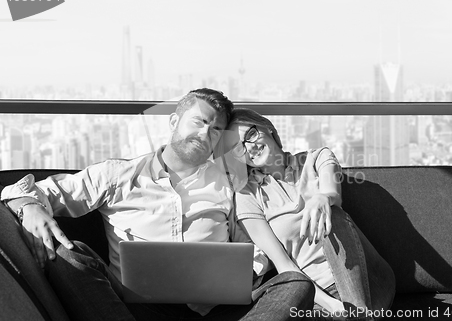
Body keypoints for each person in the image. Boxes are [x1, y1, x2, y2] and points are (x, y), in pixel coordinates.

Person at [0, 89, 315, 321]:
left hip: (216, 312)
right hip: (138, 310)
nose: (206, 133)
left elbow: (252, 241)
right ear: (175, 121)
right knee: (70, 255)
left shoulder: (228, 182)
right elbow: (35, 191)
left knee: (295, 283)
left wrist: (242, 273)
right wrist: (28, 205)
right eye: (199, 121)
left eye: (215, 128)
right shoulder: (119, 174)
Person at [214, 108, 396, 321]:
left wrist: (323, 197)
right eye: (238, 148)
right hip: (320, 296)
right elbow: (285, 267)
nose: (249, 148)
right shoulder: (247, 195)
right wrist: (333, 305)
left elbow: (332, 192)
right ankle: (357, 315)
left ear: (269, 128)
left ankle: (357, 313)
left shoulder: (316, 158)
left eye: (251, 134)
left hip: (369, 280)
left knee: (333, 214)